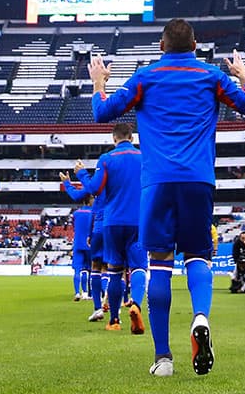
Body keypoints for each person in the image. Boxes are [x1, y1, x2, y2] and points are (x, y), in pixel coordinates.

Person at [91, 18, 245, 377]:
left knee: (160, 264)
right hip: (199, 179)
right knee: (198, 255)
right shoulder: (212, 76)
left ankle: (164, 358)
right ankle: (200, 317)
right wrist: (243, 76)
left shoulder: (145, 76)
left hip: (157, 183)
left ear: (161, 45)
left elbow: (102, 113)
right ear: (196, 46)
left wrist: (98, 84)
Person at [78, 123, 146, 334]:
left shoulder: (106, 159)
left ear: (113, 138)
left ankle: (115, 320)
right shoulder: (144, 157)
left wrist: (82, 174)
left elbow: (94, 189)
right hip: (138, 220)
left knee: (114, 270)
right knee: (138, 267)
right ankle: (135, 303)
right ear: (132, 138)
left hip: (112, 221)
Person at [60, 170, 107, 320]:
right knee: (114, 268)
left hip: (88, 238)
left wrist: (68, 182)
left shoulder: (78, 212)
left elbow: (78, 194)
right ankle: (115, 299)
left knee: (88, 268)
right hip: (117, 224)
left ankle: (82, 294)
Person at [71, 195, 94, 301]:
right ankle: (87, 293)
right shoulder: (93, 213)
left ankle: (77, 293)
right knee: (90, 269)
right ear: (89, 201)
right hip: (90, 244)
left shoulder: (76, 213)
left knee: (77, 269)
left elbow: (73, 227)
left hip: (78, 243)